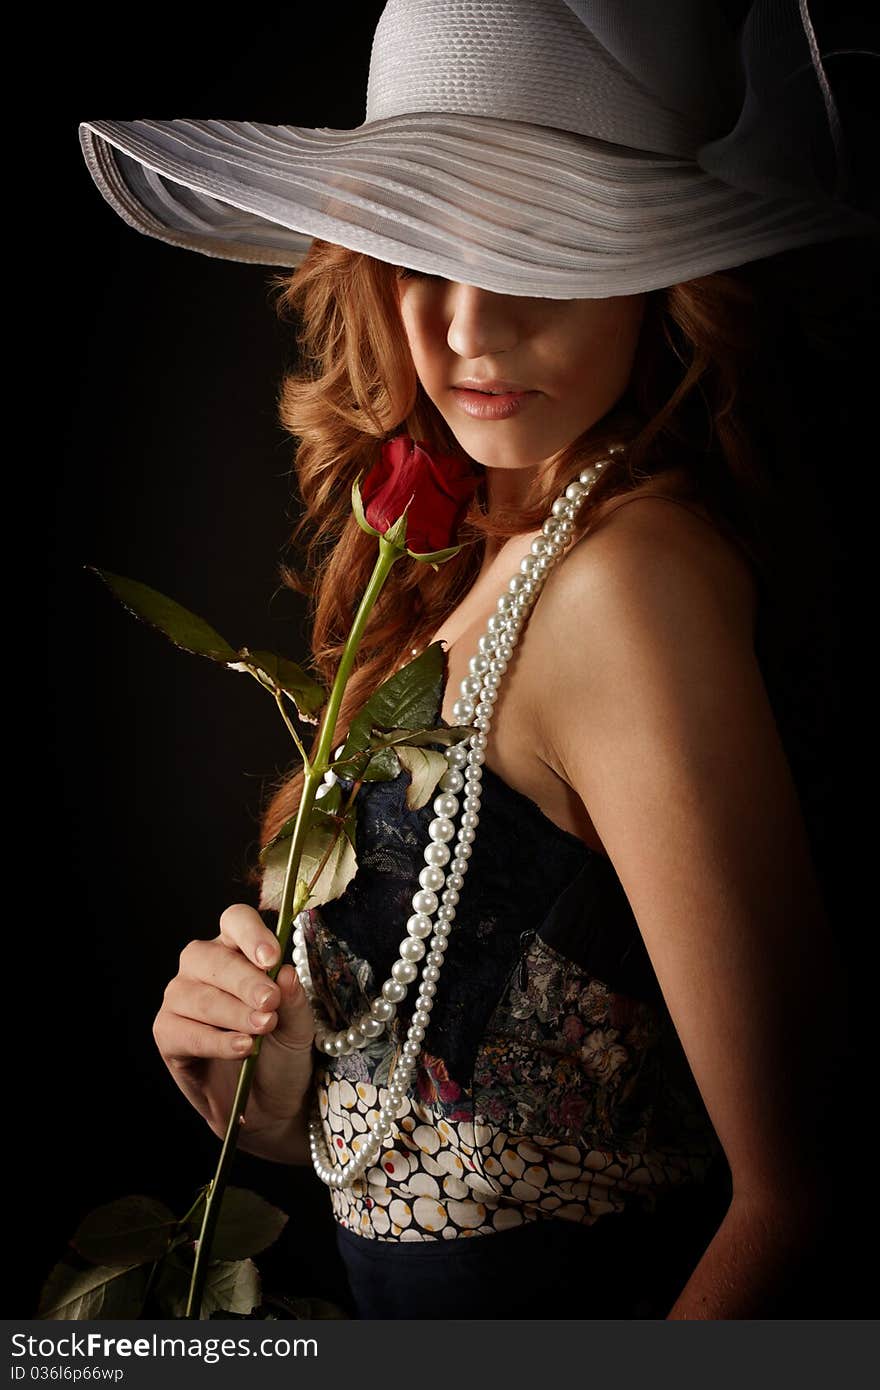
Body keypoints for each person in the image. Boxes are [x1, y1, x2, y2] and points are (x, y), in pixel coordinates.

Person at [80, 1, 877, 1318]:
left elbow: (806, 1190)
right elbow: (478, 1127)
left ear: (662, 264)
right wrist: (278, 1096)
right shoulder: (464, 560)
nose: (463, 328)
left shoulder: (628, 580)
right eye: (419, 248)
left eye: (538, 248)